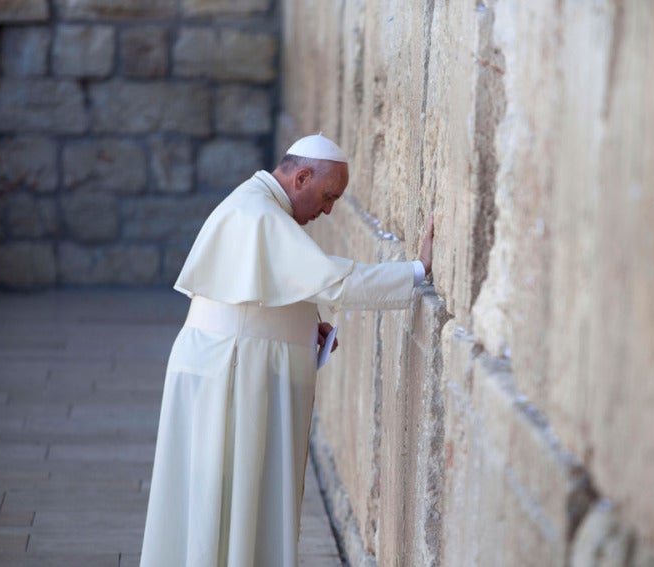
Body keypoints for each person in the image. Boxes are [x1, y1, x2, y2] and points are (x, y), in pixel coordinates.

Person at [139, 134, 434, 566]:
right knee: (223, 503)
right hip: (232, 376)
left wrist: (301, 322)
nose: (329, 209)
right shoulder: (259, 213)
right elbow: (335, 281)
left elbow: (259, 296)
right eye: (328, 196)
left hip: (227, 366)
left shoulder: (258, 205)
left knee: (223, 504)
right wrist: (416, 271)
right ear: (301, 177)